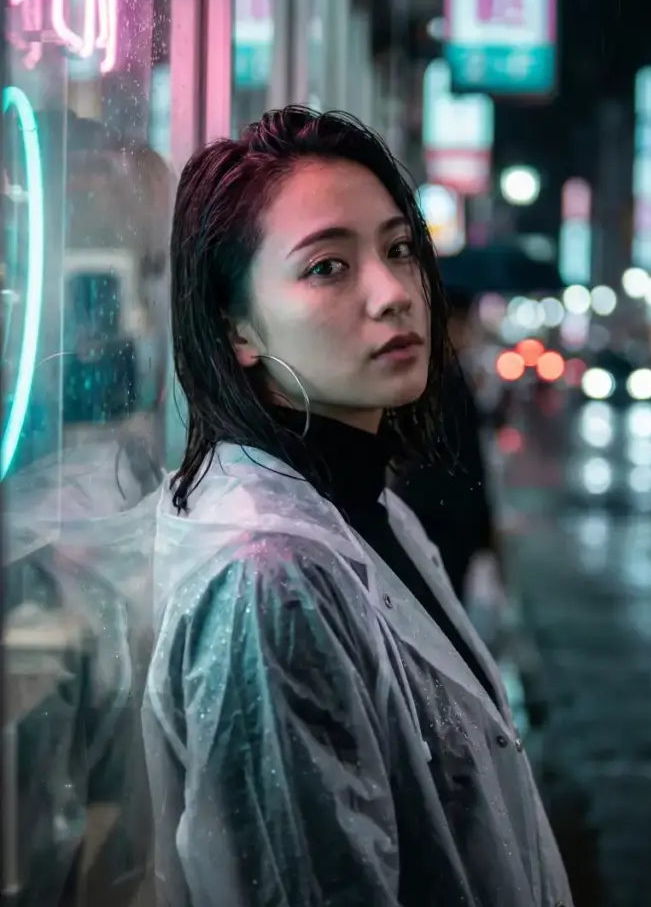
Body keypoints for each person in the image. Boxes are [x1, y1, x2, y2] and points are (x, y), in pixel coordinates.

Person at [143, 106, 572, 906]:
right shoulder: (268, 582)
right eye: (327, 267)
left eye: (399, 248)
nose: (394, 293)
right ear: (235, 323)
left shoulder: (366, 509)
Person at [393, 289, 500, 604]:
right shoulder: (435, 380)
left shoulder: (450, 375)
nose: (471, 332)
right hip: (441, 520)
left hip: (447, 519)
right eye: (467, 324)